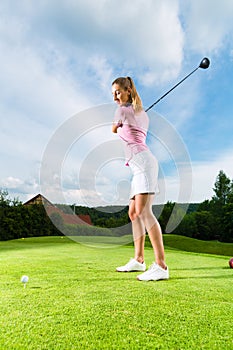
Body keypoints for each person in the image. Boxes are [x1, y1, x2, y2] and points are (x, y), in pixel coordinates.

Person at [111, 76, 169, 281]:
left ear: (128, 90)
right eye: (113, 94)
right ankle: (138, 259)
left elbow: (113, 128)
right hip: (139, 166)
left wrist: (122, 117)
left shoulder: (123, 111)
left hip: (143, 163)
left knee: (144, 212)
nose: (115, 96)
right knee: (134, 213)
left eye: (118, 91)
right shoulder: (142, 114)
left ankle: (161, 265)